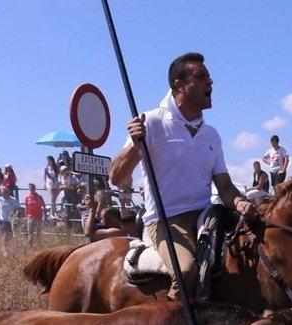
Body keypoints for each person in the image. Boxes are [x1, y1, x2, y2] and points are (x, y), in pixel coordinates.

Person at [109, 52, 255, 301]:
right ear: (179, 85)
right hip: (166, 220)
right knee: (186, 272)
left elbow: (225, 186)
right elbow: (116, 176)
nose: (210, 82)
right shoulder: (151, 122)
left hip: (206, 216)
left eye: (209, 77)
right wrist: (135, 146)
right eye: (201, 76)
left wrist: (241, 202)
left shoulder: (211, 135)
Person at [0, 186, 19, 252]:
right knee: (5, 234)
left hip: (11, 220)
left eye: (3, 193)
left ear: (8, 192)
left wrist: (15, 212)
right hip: (3, 220)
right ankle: (4, 248)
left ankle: (6, 246)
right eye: (1, 193)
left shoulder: (13, 200)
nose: (2, 194)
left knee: (10, 235)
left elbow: (18, 208)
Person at [24, 183, 46, 247]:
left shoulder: (39, 197)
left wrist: (45, 216)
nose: (31, 189)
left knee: (38, 233)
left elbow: (44, 206)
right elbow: (26, 208)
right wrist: (26, 217)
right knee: (30, 234)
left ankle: (39, 245)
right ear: (29, 189)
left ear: (35, 188)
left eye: (32, 188)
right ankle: (30, 247)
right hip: (30, 218)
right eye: (30, 188)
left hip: (38, 217)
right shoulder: (27, 198)